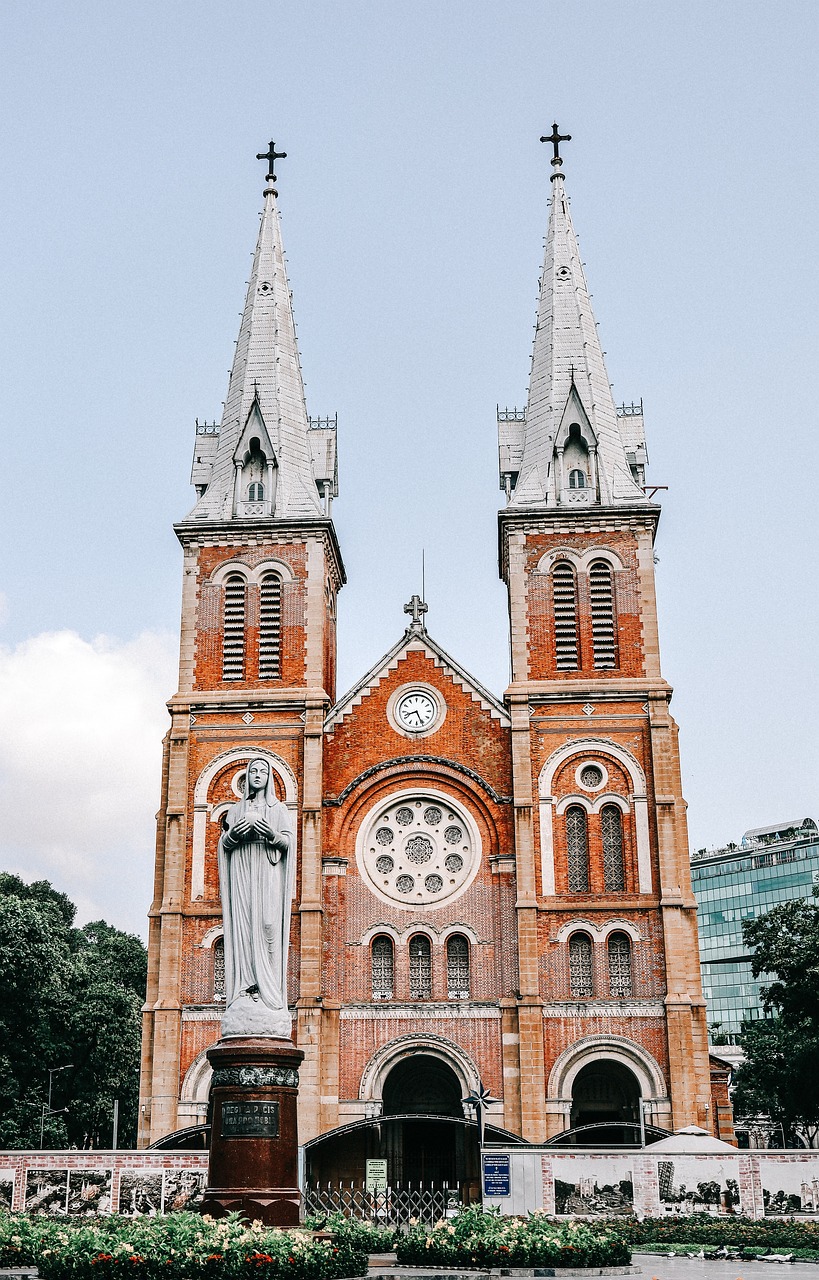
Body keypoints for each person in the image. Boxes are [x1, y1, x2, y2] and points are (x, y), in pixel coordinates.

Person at [217, 757, 295, 1036]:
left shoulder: (279, 809)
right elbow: (223, 844)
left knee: (268, 927)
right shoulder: (236, 810)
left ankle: (269, 994)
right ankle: (245, 990)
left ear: (270, 777)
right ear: (247, 777)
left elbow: (287, 842)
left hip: (268, 873)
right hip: (242, 874)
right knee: (244, 930)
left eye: (263, 771)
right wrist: (231, 837)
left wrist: (272, 834)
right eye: (253, 771)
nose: (258, 775)